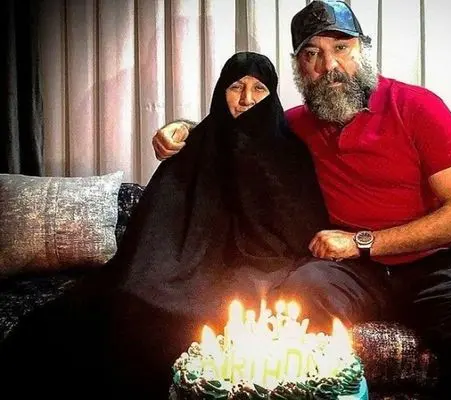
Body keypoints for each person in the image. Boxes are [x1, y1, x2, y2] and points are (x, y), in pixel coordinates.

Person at [151, 1, 451, 399]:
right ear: (299, 66)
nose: (328, 65)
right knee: (291, 308)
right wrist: (183, 129)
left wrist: (362, 242)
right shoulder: (293, 125)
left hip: (435, 261)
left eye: (341, 47)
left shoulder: (418, 106)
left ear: (363, 49)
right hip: (349, 270)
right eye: (312, 54)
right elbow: (233, 132)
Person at [0, 52, 331, 399]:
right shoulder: (197, 143)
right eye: (236, 87)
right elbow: (160, 221)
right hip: (185, 265)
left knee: (227, 313)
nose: (247, 98)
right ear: (221, 92)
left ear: (272, 94)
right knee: (132, 301)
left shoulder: (290, 151)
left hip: (260, 268)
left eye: (259, 88)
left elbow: (300, 227)